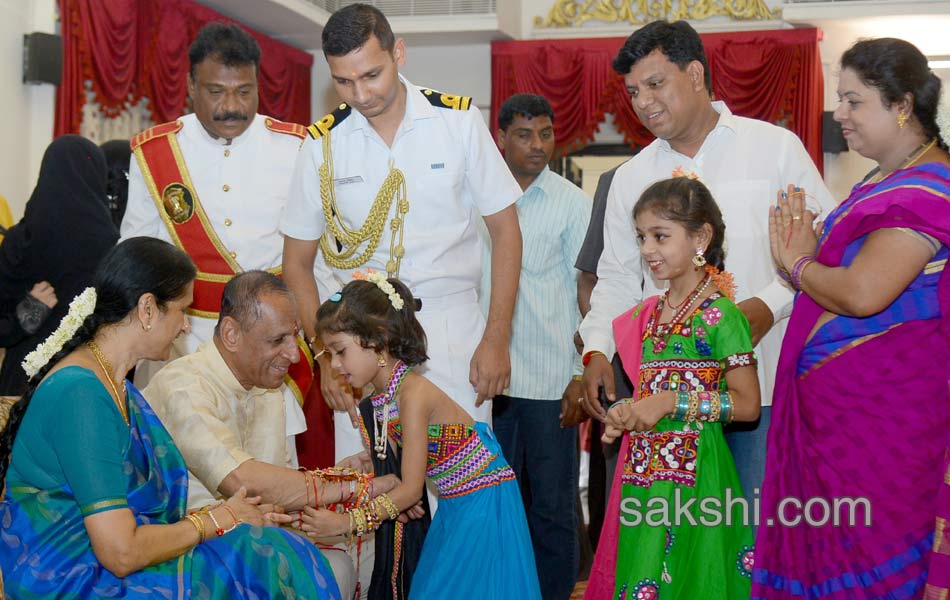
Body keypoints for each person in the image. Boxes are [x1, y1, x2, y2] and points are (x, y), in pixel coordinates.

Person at [577, 20, 836, 504]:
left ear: (695, 74)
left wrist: (767, 305)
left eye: (656, 84)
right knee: (678, 535)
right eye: (633, 91)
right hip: (666, 391)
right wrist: (595, 348)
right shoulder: (631, 177)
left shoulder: (773, 149)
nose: (644, 102)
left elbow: (821, 242)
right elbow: (616, 278)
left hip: (760, 382)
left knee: (755, 528)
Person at [0, 237, 341, 598]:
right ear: (147, 309)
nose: (185, 327)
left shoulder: (113, 385)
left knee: (266, 547)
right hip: (71, 577)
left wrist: (227, 516)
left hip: (103, 563)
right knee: (261, 561)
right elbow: (120, 551)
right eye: (182, 310)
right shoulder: (80, 393)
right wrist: (217, 520)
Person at [281, 3, 523, 466]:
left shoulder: (457, 122)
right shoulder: (322, 144)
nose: (360, 93)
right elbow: (296, 261)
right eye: (344, 81)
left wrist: (497, 337)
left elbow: (506, 232)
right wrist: (324, 355)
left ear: (399, 53)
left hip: (451, 331)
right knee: (372, 489)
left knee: (463, 477)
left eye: (371, 75)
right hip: (358, 340)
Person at [753, 38, 950, 598]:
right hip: (839, 428)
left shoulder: (928, 192)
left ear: (902, 104)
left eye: (853, 100)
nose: (838, 114)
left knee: (872, 568)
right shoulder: (877, 184)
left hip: (884, 436)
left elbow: (864, 294)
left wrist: (797, 262)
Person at [119, 22, 332, 468]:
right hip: (184, 341)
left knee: (269, 467)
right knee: (182, 473)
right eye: (217, 91)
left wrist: (325, 340)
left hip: (270, 347)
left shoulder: (296, 147)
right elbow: (138, 256)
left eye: (244, 92)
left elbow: (319, 259)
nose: (232, 106)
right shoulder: (157, 152)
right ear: (191, 87)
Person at [145, 270, 410, 598]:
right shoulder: (184, 387)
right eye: (277, 341)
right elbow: (243, 480)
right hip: (188, 550)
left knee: (370, 552)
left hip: (255, 538)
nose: (295, 355)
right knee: (330, 566)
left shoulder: (268, 388)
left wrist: (344, 474)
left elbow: (279, 491)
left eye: (294, 337)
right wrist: (358, 488)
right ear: (231, 334)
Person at [300, 274, 542, 599]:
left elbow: (411, 491)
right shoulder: (385, 396)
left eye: (340, 351)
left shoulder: (412, 395)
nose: (335, 364)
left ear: (378, 339)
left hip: (482, 506)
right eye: (330, 354)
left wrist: (346, 524)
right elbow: (402, 474)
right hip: (458, 504)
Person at [587, 177, 761, 599]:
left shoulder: (721, 317)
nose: (647, 249)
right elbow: (651, 395)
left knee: (692, 579)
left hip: (697, 474)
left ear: (701, 237)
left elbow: (748, 405)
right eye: (642, 237)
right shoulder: (649, 315)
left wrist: (670, 402)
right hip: (644, 474)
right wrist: (625, 414)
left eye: (660, 236)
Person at [484, 93, 589, 600]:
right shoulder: (476, 199)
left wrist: (577, 372)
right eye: (524, 134)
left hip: (551, 383)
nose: (538, 145)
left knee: (553, 506)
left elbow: (584, 297)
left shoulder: (571, 202)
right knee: (491, 502)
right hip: (487, 383)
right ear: (500, 137)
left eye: (545, 133)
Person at [0, 135, 118, 396]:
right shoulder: (113, 246)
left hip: (23, 383)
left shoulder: (21, 241)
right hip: (90, 381)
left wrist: (29, 313)